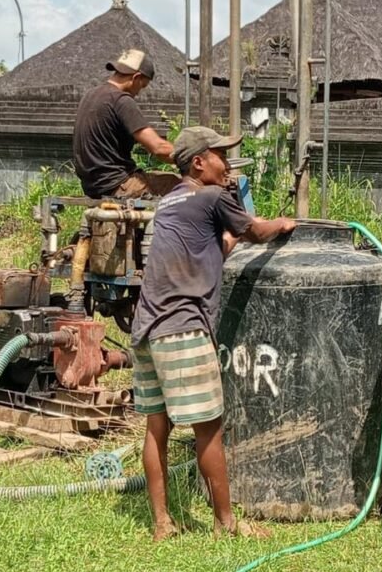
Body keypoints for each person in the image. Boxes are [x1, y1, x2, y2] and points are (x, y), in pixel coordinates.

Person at [131, 126, 297, 540]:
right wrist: (281, 222)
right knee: (209, 428)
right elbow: (256, 231)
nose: (228, 164)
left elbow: (203, 249)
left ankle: (162, 523)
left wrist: (227, 240)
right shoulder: (212, 196)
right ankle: (226, 524)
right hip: (184, 327)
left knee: (157, 427)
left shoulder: (170, 202)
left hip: (148, 327)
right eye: (221, 155)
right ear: (199, 161)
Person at [72, 48, 180, 200]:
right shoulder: (121, 100)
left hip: (93, 185)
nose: (139, 92)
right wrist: (190, 157)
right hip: (117, 184)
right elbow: (159, 148)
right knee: (182, 186)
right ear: (136, 78)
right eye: (142, 86)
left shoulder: (90, 95)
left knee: (162, 176)